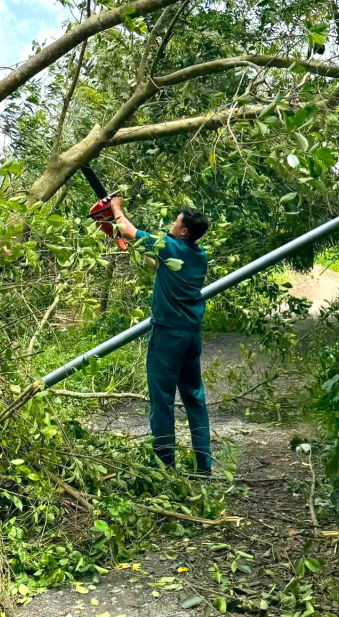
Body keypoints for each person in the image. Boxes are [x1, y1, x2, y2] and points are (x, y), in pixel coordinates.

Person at [109, 197, 212, 476]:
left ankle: (165, 467)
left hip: (168, 336)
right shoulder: (197, 255)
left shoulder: (170, 245)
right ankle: (204, 467)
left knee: (162, 400)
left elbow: (130, 231)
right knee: (194, 399)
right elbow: (155, 262)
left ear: (183, 231)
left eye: (175, 222)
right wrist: (126, 238)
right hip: (191, 335)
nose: (171, 224)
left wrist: (115, 209)